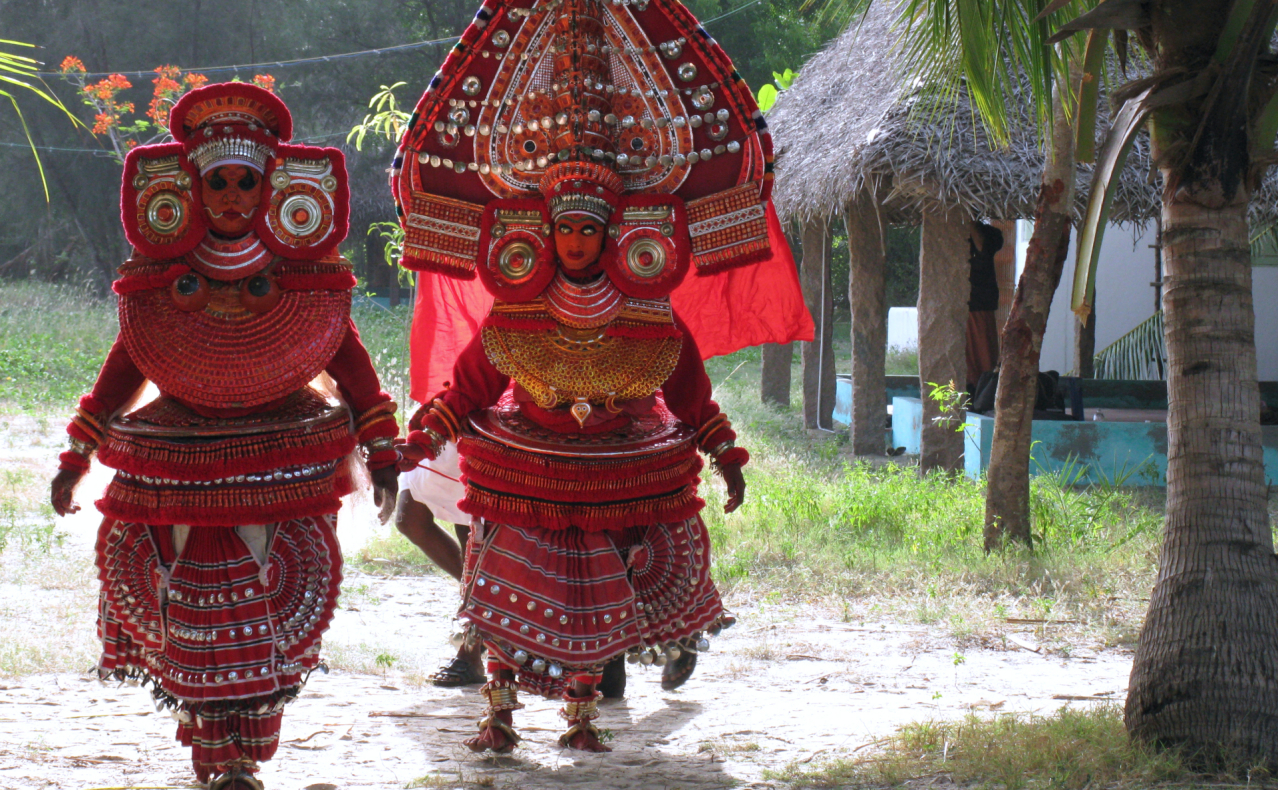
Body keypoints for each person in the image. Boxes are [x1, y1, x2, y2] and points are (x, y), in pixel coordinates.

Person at [388, 0, 812, 753]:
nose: (577, 241)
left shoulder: (648, 315)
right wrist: (423, 433)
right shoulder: (515, 316)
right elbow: (471, 386)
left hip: (618, 460)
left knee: (601, 595)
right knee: (507, 595)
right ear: (544, 232)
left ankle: (583, 716)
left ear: (613, 234)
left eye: (589, 229)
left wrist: (726, 456)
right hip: (527, 463)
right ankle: (500, 715)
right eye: (565, 229)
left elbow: (689, 393)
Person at [49, 83, 398, 790]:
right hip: (178, 460)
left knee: (268, 600)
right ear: (193, 189)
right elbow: (126, 366)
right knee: (183, 595)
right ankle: (218, 756)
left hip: (282, 457)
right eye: (219, 183)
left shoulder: (305, 282)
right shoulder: (160, 283)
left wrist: (383, 451)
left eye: (248, 182)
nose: (234, 197)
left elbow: (350, 363)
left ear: (273, 190)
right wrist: (76, 455)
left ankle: (243, 748)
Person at [967, 221, 1004, 388]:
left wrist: (968, 222)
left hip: (979, 306)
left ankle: (980, 394)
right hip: (962, 306)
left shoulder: (991, 234)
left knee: (983, 360)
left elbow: (983, 246)